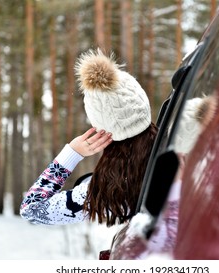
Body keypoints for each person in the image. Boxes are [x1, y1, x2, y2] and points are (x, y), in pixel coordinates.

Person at [20, 49, 158, 227]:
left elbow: (31, 210)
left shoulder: (108, 192)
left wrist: (71, 153)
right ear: (141, 103)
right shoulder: (177, 155)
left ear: (100, 128)